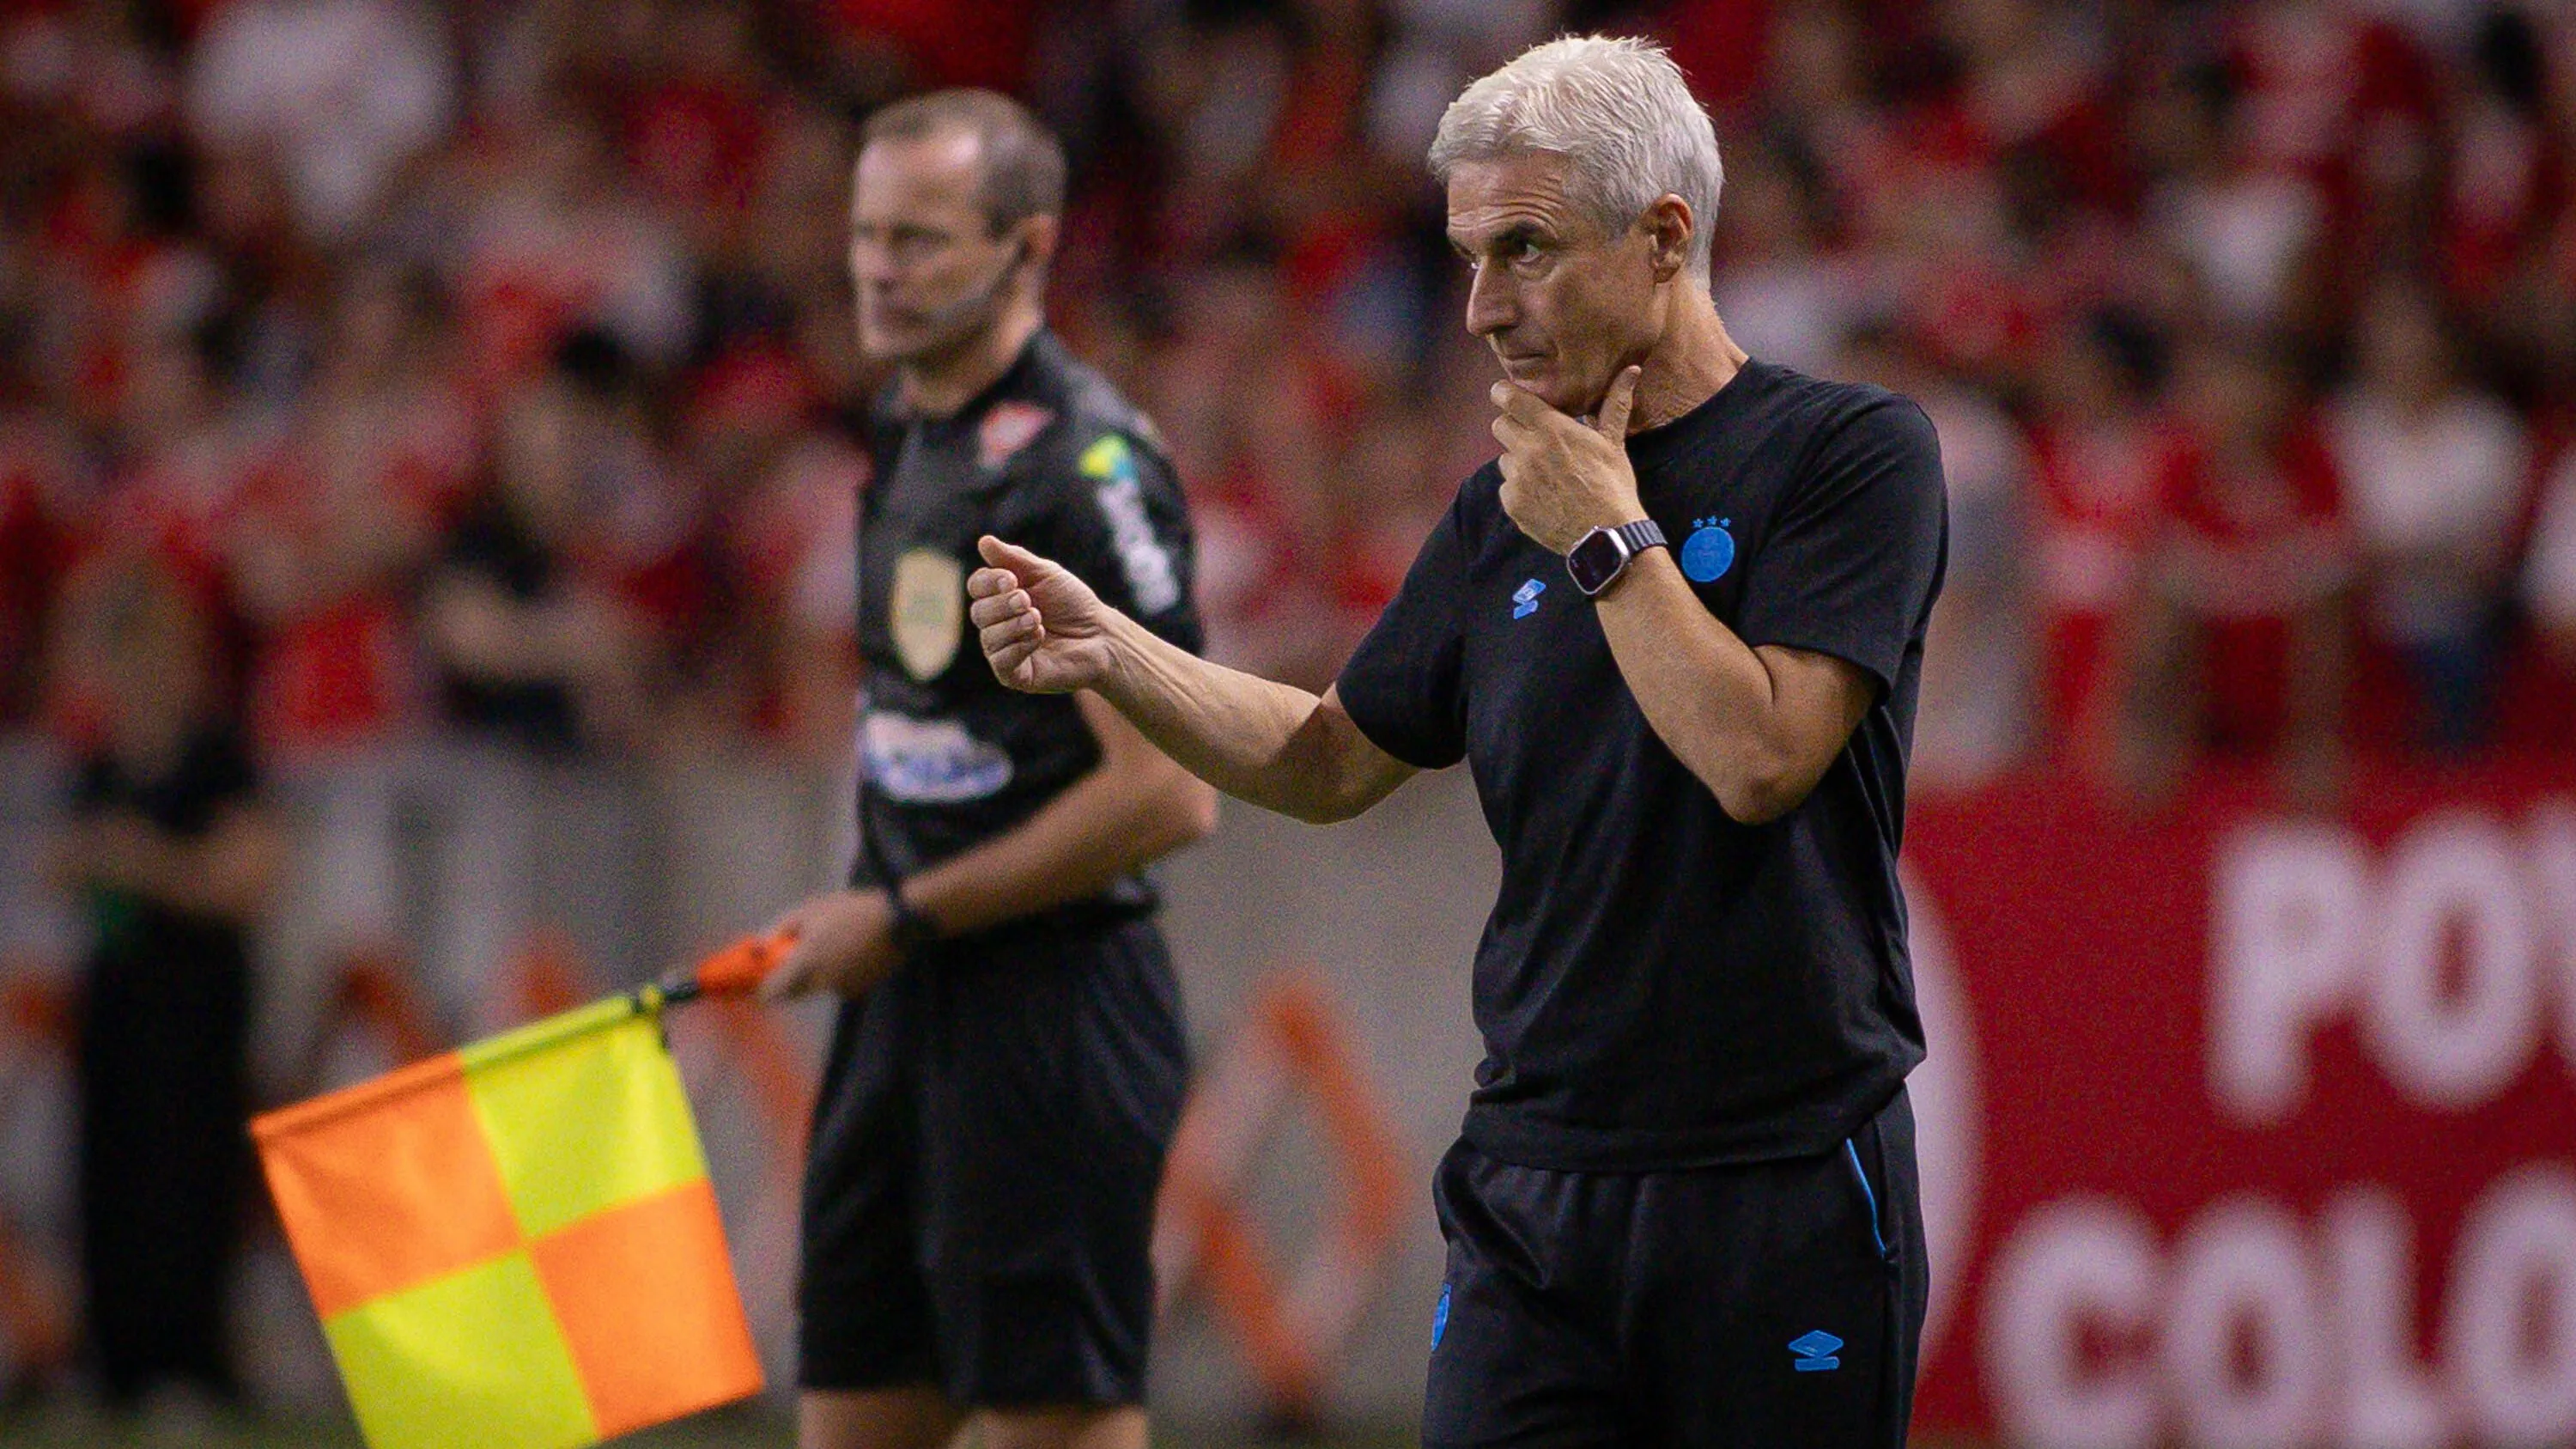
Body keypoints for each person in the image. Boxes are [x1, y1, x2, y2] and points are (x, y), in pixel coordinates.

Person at [969, 36, 1945, 1447]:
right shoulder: (1508, 512)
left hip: (1781, 1178)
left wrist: (1607, 538)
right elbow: (1325, 758)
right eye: (1469, 258)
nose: (1483, 307)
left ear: (1664, 236)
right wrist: (1115, 650)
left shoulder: (1848, 457)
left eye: (1527, 250)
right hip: (1533, 1186)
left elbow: (1760, 759)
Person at [754, 89, 1217, 1449]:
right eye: (864, 235)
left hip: (1049, 1014)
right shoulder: (905, 428)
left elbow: (1167, 793)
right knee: (850, 1406)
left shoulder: (1089, 462)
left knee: (1050, 1420)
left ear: (1030, 247)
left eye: (920, 239)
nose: (879, 270)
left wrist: (900, 912)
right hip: (900, 1005)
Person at [46, 547, 283, 1418]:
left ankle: (192, 1360)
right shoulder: (101, 761)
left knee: (189, 1180)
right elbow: (62, 862)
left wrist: (144, 863)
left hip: (197, 1000)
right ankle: (112, 1360)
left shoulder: (217, 755)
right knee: (106, 1174)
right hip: (118, 995)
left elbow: (245, 877)